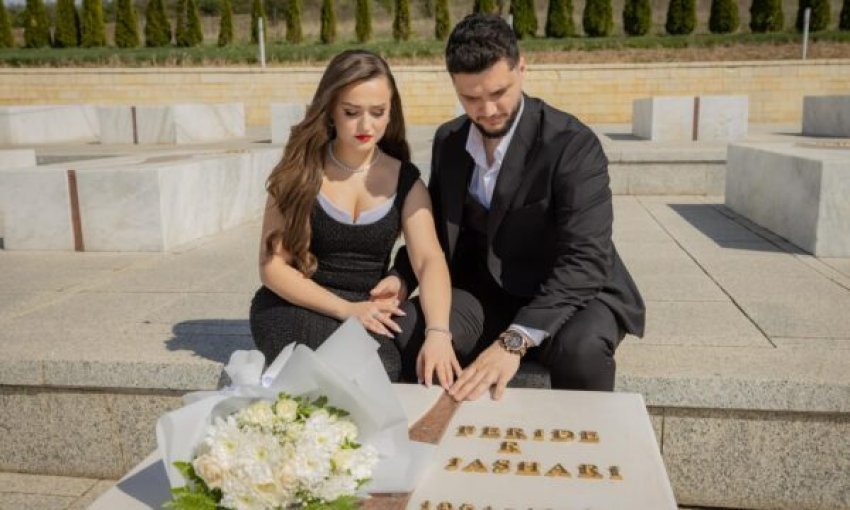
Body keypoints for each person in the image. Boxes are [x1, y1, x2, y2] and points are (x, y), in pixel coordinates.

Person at [384, 14, 646, 400]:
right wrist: (402, 277)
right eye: (471, 98)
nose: (487, 109)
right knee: (405, 328)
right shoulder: (449, 141)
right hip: (484, 295)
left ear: (521, 68)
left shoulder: (571, 144)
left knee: (582, 350)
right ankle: (432, 433)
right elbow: (437, 230)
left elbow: (586, 259)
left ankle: (584, 440)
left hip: (572, 297)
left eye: (498, 92)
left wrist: (514, 341)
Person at [250, 50, 456, 383]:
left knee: (388, 367)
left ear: (391, 112)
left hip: (367, 308)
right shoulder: (298, 173)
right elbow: (272, 268)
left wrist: (438, 332)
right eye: (351, 112)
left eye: (378, 112)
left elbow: (430, 260)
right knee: (359, 371)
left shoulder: (407, 182)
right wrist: (346, 310)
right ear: (331, 110)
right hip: (296, 304)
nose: (366, 125)